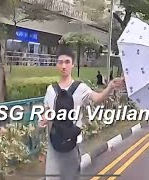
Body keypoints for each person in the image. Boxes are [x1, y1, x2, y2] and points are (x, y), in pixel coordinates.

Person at [39, 46, 125, 180]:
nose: (64, 66)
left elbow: (97, 98)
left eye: (67, 62)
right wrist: (44, 118)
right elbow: (47, 112)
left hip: (73, 145)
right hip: (53, 145)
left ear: (72, 64)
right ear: (57, 64)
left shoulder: (80, 88)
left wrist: (110, 87)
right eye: (60, 62)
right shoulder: (50, 89)